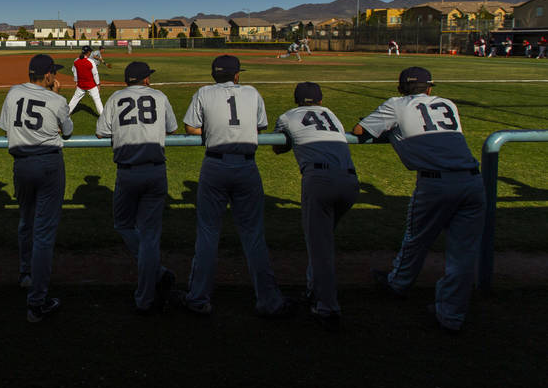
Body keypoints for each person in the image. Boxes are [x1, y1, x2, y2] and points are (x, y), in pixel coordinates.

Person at [352, 67, 485, 333]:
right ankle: (451, 315)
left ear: (401, 88)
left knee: (417, 238)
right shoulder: (448, 104)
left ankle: (398, 283)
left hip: (436, 183)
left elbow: (359, 130)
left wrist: (390, 132)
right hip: (472, 181)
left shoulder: (396, 104)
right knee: (463, 253)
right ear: (429, 88)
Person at [174, 55, 294, 318]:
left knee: (207, 233)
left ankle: (198, 298)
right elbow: (260, 128)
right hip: (246, 166)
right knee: (253, 235)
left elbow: (191, 128)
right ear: (237, 75)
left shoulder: (204, 92)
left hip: (215, 164)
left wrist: (213, 131)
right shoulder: (252, 92)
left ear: (213, 75)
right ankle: (269, 300)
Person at [272, 82, 358, 331]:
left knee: (320, 247)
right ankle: (314, 290)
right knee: (324, 240)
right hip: (351, 181)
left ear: (297, 99)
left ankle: (327, 307)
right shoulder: (331, 114)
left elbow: (278, 148)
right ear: (320, 100)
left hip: (319, 180)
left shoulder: (288, 116)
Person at [95, 62, 177, 314]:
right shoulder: (159, 96)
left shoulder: (115, 98)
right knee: (150, 235)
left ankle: (150, 288)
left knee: (123, 224)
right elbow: (172, 128)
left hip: (127, 172)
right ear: (145, 80)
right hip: (155, 169)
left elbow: (100, 132)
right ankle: (152, 282)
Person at [0, 54, 74, 322]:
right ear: (47, 76)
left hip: (21, 164)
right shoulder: (57, 99)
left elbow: (5, 127)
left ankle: (25, 274)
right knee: (43, 232)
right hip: (48, 163)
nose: (56, 76)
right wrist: (55, 96)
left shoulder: (13, 92)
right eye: (54, 72)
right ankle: (37, 302)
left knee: (25, 221)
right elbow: (67, 132)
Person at [67, 45, 104, 115]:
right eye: (90, 51)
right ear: (88, 52)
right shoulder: (91, 61)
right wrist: (98, 84)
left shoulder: (76, 61)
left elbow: (74, 72)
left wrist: (76, 81)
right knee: (97, 101)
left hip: (81, 85)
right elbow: (95, 74)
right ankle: (103, 117)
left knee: (74, 100)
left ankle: (66, 114)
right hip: (91, 85)